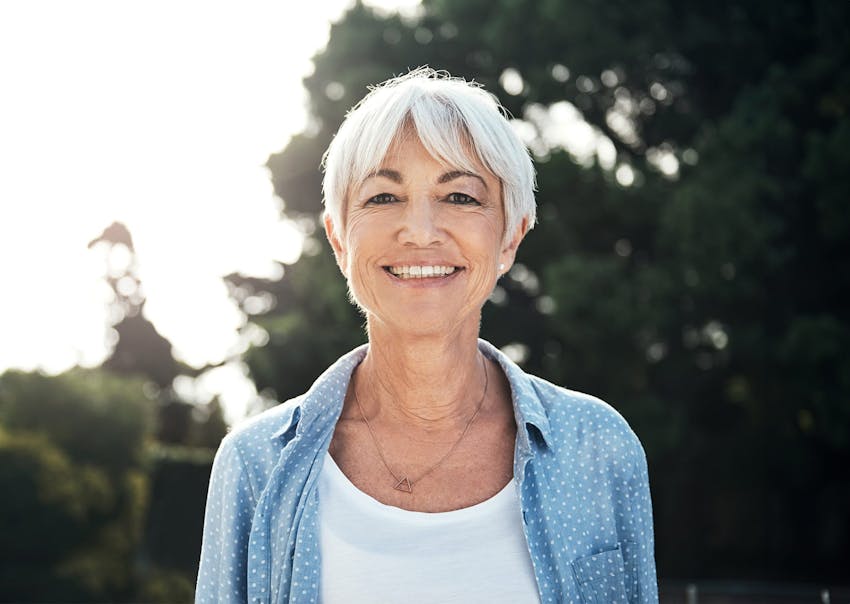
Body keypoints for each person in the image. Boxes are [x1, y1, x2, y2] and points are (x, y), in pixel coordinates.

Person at [195, 67, 658, 604]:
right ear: (339, 239)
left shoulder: (598, 448)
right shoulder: (255, 464)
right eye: (383, 197)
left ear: (510, 237)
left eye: (460, 197)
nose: (419, 230)